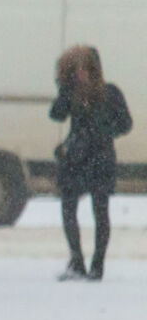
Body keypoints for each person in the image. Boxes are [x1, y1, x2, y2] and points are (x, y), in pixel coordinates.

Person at [50, 45, 133, 282]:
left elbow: (125, 124)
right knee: (68, 208)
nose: (81, 74)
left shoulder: (110, 93)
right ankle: (77, 261)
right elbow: (56, 114)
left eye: (84, 69)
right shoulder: (72, 92)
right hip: (76, 158)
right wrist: (64, 89)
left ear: (94, 69)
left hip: (99, 158)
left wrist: (101, 131)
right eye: (76, 70)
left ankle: (97, 265)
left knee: (100, 211)